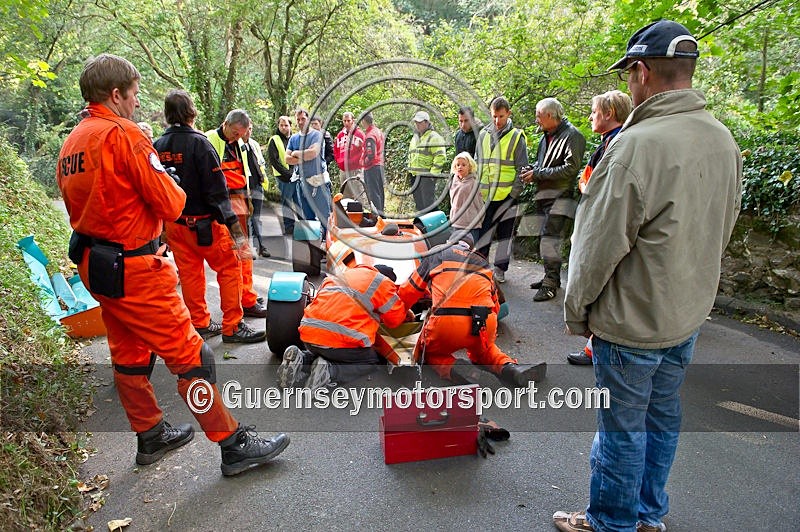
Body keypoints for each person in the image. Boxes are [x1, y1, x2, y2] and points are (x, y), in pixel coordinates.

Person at [57, 54, 288, 476]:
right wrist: (170, 186)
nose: (136, 101)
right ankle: (232, 443)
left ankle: (149, 432)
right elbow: (171, 201)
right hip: (135, 267)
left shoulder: (72, 142)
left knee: (128, 353)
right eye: (133, 94)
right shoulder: (124, 135)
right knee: (192, 357)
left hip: (97, 264)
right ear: (115, 95)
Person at [553, 20, 742, 532]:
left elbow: (596, 248)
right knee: (662, 420)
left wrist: (577, 313)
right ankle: (648, 516)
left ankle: (612, 522)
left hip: (632, 323)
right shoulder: (721, 139)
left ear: (641, 71)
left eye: (629, 75)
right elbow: (721, 227)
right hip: (686, 315)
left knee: (620, 430)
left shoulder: (636, 146)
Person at [154, 89, 266, 344]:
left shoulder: (157, 146)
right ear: (191, 112)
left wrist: (161, 229)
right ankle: (232, 326)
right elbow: (218, 193)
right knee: (230, 268)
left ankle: (200, 322)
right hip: (206, 224)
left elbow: (155, 190)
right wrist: (238, 236)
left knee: (191, 273)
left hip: (176, 224)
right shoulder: (201, 144)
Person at [398, 235, 546, 386]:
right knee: (485, 351)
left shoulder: (438, 254)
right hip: (483, 323)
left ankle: (460, 371)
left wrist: (403, 314)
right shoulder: (482, 262)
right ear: (470, 249)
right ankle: (511, 368)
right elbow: (496, 305)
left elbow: (407, 292)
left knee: (430, 352)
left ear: (449, 243)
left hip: (447, 325)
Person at [565, 90, 632, 366]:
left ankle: (598, 347)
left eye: (594, 112)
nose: (591, 117)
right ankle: (596, 346)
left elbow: (592, 184)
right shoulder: (608, 143)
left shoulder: (616, 146)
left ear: (609, 114)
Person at [277, 264, 408, 390]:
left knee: (327, 353)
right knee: (371, 361)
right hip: (340, 343)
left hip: (309, 336)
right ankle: (330, 371)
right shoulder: (382, 282)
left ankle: (302, 359)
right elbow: (394, 321)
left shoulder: (338, 276)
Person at [521, 97, 586, 301]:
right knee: (546, 238)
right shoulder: (545, 136)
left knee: (550, 239)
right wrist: (533, 169)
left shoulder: (573, 136)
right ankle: (551, 278)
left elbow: (570, 169)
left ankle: (550, 285)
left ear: (550, 115)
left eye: (539, 116)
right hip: (544, 196)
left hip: (560, 197)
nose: (536, 120)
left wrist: (538, 174)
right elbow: (545, 164)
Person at [205, 110, 267, 318]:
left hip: (239, 204)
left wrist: (247, 200)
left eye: (240, 134)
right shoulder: (209, 140)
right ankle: (242, 301)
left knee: (244, 253)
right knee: (232, 258)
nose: (236, 137)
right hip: (223, 207)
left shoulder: (240, 143)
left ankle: (246, 297)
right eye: (234, 133)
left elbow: (245, 174)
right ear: (225, 124)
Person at [476, 96, 528, 284]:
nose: (497, 121)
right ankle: (481, 266)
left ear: (509, 114)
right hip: (486, 195)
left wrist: (514, 194)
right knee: (484, 232)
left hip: (507, 195)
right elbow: (477, 163)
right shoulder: (483, 134)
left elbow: (522, 168)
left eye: (501, 116)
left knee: (505, 234)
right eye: (494, 116)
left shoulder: (516, 137)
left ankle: (500, 269)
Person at [286, 108, 332, 240]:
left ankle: (328, 247)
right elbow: (287, 159)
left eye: (303, 119)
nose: (300, 122)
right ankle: (314, 250)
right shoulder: (294, 138)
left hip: (319, 183)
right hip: (302, 183)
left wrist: (295, 153)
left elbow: (313, 153)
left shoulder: (317, 135)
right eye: (298, 119)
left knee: (325, 217)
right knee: (307, 219)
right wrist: (304, 155)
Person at [407, 110, 447, 214]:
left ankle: (436, 226)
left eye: (419, 122)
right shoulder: (415, 137)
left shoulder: (434, 137)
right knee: (420, 205)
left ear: (427, 122)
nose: (417, 125)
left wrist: (432, 175)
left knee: (428, 205)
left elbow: (440, 157)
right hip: (414, 176)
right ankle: (423, 226)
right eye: (416, 122)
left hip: (426, 177)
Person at [267, 115, 300, 236]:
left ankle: (302, 226)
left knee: (299, 202)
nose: (284, 127)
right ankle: (289, 227)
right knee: (287, 203)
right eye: (281, 125)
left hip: (296, 176)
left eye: (286, 125)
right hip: (283, 178)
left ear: (291, 126)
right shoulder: (274, 139)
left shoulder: (294, 139)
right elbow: (274, 161)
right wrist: (288, 174)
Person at [242, 124, 271, 258]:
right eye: (246, 129)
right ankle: (249, 247)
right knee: (246, 219)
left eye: (250, 129)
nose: (249, 132)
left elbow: (261, 163)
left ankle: (261, 246)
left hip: (257, 185)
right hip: (244, 187)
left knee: (256, 217)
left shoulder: (254, 144)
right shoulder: (237, 145)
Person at [449, 152, 483, 244]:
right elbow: (452, 200)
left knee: (470, 250)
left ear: (470, 167)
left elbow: (478, 203)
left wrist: (480, 219)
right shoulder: (454, 181)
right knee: (455, 250)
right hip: (456, 222)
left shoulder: (473, 182)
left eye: (463, 165)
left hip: (471, 223)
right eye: (458, 165)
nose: (460, 167)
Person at [360, 112, 386, 214]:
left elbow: (371, 155)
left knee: (373, 193)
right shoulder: (378, 131)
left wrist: (363, 162)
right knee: (379, 191)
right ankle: (382, 215)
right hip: (379, 165)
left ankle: (377, 216)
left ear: (363, 121)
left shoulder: (370, 135)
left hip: (372, 167)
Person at [333, 111, 365, 178]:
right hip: (343, 170)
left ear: (353, 121)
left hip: (356, 169)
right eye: (344, 121)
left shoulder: (359, 134)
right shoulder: (340, 135)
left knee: (357, 188)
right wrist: (339, 162)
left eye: (348, 121)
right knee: (344, 188)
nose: (346, 123)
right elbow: (336, 150)